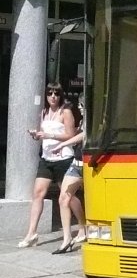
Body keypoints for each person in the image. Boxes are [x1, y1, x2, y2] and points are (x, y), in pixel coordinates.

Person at [19, 83, 78, 250]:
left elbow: (71, 135)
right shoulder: (44, 112)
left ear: (60, 96)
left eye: (56, 94)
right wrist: (37, 135)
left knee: (68, 196)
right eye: (50, 93)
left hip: (63, 158)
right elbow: (43, 135)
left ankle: (82, 225)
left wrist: (49, 135)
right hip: (47, 158)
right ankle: (31, 233)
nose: (53, 97)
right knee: (37, 193)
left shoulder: (65, 112)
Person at [50, 97, 87, 253]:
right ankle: (67, 239)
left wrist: (64, 144)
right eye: (79, 104)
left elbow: (86, 134)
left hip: (90, 164)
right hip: (77, 163)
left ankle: (85, 229)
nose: (79, 107)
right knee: (64, 197)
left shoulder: (96, 118)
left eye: (81, 104)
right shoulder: (84, 119)